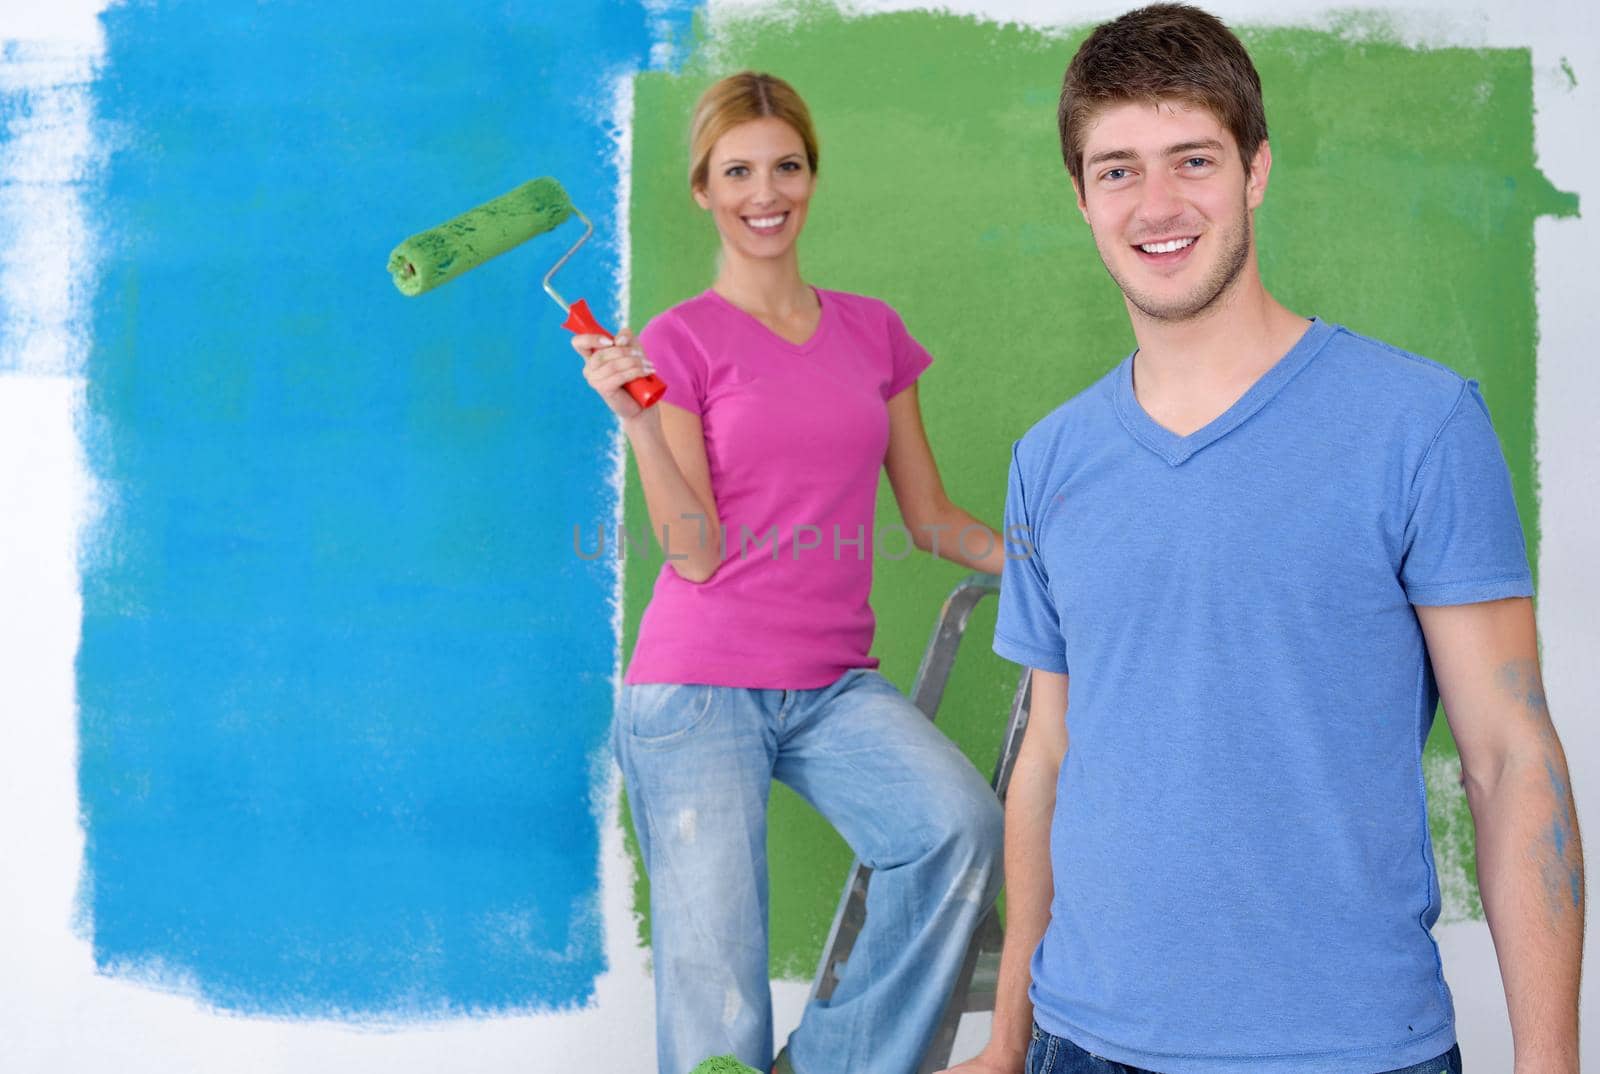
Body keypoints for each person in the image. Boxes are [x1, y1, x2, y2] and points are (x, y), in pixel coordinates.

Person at [949, 5, 1584, 1074]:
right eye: (1117, 170)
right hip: (1080, 1042)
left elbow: (1509, 756)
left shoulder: (1417, 424)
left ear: (1254, 169)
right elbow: (1049, 756)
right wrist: (1008, 1038)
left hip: (1348, 1051)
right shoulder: (1048, 457)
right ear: (1080, 195)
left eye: (1191, 159)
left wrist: (1551, 1065)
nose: (1155, 204)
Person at [572, 71, 1006, 1074]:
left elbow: (932, 519)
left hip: (830, 685)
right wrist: (638, 418)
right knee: (717, 990)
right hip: (697, 687)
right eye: (737, 173)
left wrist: (1050, 565)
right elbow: (694, 551)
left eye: (785, 167)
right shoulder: (679, 340)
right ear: (703, 191)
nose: (764, 194)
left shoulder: (871, 331)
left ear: (811, 176)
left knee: (956, 831)